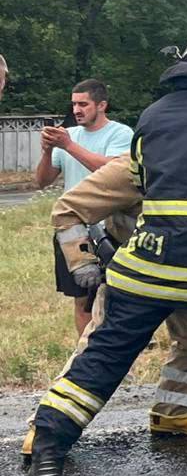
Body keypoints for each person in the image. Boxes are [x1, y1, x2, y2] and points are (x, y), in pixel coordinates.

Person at [29, 25, 187, 476]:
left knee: (105, 355)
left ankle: (48, 451)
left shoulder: (153, 115)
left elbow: (140, 179)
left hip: (145, 268)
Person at [20, 155, 187, 458]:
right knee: (98, 352)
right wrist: (81, 261)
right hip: (133, 280)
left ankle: (175, 412)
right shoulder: (134, 166)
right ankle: (45, 429)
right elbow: (67, 208)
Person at [35, 79, 134, 336]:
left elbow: (112, 173)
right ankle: (86, 358)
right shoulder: (70, 135)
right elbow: (42, 181)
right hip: (73, 232)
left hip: (112, 230)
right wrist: (47, 151)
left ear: (102, 105)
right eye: (74, 104)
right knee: (83, 300)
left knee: (118, 299)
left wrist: (68, 145)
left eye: (83, 104)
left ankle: (117, 359)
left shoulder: (121, 135)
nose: (77, 110)